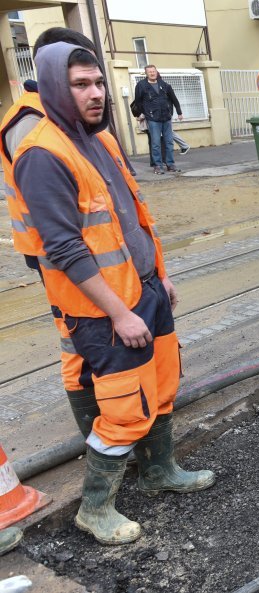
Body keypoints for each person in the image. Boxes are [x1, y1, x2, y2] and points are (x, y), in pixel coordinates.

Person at [10, 39, 214, 546]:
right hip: (103, 309)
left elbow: (133, 217)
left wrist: (159, 275)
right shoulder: (41, 152)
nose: (95, 93)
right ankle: (95, 509)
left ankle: (160, 470)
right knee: (124, 409)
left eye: (99, 82)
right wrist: (119, 312)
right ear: (57, 86)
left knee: (164, 385)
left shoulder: (96, 139)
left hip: (145, 289)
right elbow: (64, 249)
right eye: (81, 85)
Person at [1, 27, 106, 443]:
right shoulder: (29, 122)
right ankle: (92, 430)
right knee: (76, 339)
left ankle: (110, 415)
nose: (92, 90)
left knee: (93, 332)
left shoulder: (60, 114)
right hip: (53, 251)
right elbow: (51, 200)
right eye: (78, 79)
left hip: (84, 243)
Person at [133, 64, 183, 174]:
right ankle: (158, 166)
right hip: (153, 118)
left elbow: (174, 99)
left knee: (169, 142)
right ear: (146, 73)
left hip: (166, 117)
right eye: (149, 71)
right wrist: (144, 113)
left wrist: (179, 112)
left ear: (156, 72)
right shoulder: (141, 85)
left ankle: (170, 164)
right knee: (155, 143)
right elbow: (138, 101)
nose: (152, 73)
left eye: (153, 71)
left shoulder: (164, 85)